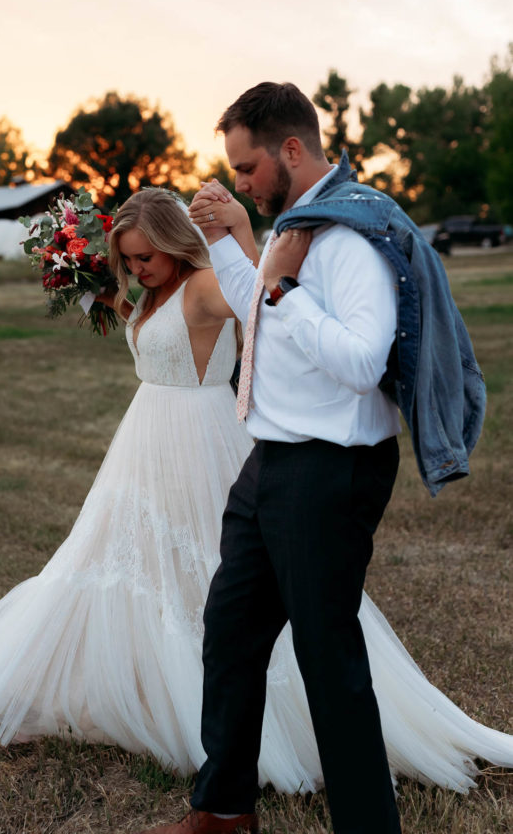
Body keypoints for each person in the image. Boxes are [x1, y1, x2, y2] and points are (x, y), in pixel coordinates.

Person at [0, 188, 511, 823]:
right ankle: (135, 701)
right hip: (144, 441)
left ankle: (245, 748)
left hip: (201, 437)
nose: (138, 269)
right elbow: (136, 318)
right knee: (120, 564)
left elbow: (258, 300)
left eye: (146, 257)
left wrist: (261, 253)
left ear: (172, 244)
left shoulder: (201, 286)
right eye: (128, 260)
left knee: (218, 586)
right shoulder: (151, 294)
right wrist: (87, 282)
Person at [135, 82, 507, 834]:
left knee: (326, 656)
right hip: (271, 460)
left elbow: (362, 361)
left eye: (246, 169)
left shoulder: (350, 239)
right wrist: (236, 251)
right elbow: (256, 306)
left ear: (292, 151)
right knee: (231, 629)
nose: (240, 183)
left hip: (331, 471)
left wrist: (282, 289)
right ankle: (225, 809)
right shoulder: (292, 232)